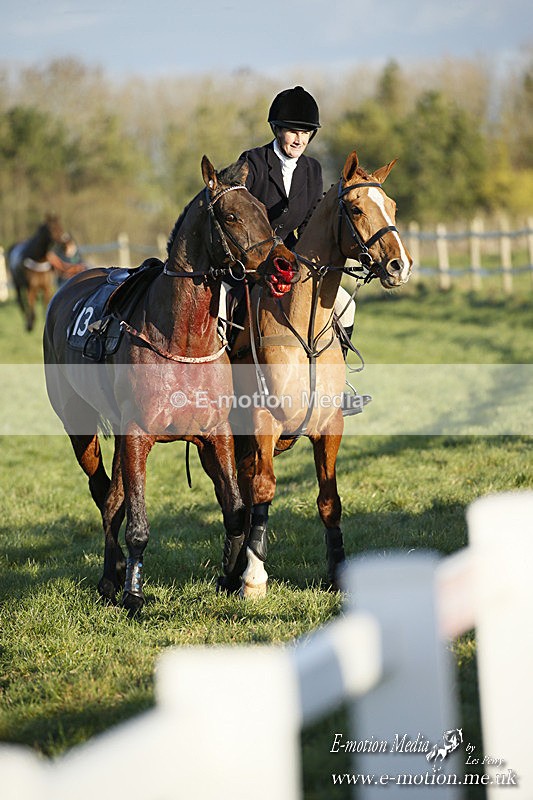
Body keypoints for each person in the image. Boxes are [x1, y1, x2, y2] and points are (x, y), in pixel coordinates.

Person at [228, 85, 370, 416]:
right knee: (222, 307)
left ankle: (336, 387)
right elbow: (238, 216)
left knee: (345, 306)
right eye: (293, 130)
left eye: (306, 132)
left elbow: (307, 224)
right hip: (252, 266)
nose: (299, 139)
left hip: (291, 265)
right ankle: (215, 387)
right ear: (277, 129)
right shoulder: (253, 163)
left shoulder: (313, 170)